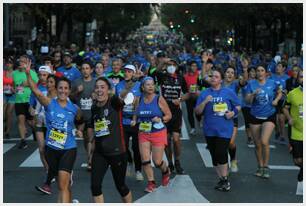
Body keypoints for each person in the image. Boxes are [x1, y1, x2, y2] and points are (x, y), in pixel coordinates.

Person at [25, 59, 84, 203]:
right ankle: (69, 202)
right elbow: (35, 91)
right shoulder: (49, 104)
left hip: (68, 149)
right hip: (51, 149)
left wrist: (79, 130)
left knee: (63, 185)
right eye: (61, 88)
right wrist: (28, 73)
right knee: (61, 185)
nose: (63, 91)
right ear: (56, 90)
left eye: (66, 88)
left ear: (69, 91)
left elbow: (81, 120)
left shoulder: (75, 108)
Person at [195, 68, 241, 192]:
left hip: (225, 128)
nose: (213, 78)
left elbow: (238, 106)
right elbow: (197, 111)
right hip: (209, 129)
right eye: (211, 76)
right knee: (214, 156)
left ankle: (225, 179)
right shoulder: (204, 93)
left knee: (221, 152)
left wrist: (233, 113)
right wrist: (204, 102)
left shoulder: (228, 92)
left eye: (215, 76)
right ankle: (221, 179)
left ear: (221, 80)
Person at [89, 77, 132, 203]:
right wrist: (89, 138)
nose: (99, 90)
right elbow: (94, 126)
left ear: (108, 90)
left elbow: (122, 95)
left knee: (121, 187)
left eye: (102, 87)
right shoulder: (94, 107)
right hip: (100, 153)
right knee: (95, 186)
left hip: (117, 152)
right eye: (97, 87)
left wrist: (131, 82)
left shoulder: (113, 102)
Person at [134, 76, 172, 192]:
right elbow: (136, 112)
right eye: (148, 84)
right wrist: (134, 120)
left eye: (152, 84)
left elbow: (169, 115)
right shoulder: (138, 99)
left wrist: (160, 119)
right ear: (142, 87)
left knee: (157, 161)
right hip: (143, 132)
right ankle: (151, 182)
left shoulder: (159, 99)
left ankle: (165, 171)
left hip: (158, 132)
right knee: (145, 159)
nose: (151, 87)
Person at [245, 64, 282, 179]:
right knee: (257, 144)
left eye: (262, 70)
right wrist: (253, 94)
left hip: (269, 115)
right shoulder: (251, 84)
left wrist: (276, 100)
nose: (260, 72)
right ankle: (260, 166)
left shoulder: (272, 83)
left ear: (266, 73)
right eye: (258, 70)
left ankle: (266, 167)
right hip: (255, 115)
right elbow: (248, 101)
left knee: (264, 141)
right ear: (255, 73)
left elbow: (280, 92)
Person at [158, 58, 189, 174]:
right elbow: (156, 70)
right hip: (164, 112)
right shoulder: (162, 76)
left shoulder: (180, 78)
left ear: (176, 67)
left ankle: (177, 161)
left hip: (176, 113)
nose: (171, 66)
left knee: (176, 140)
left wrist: (180, 99)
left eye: (173, 64)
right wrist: (163, 62)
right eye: (169, 65)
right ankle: (170, 163)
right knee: (167, 140)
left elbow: (187, 94)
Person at [115, 64, 144, 181]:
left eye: (129, 71)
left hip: (136, 121)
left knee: (137, 147)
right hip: (123, 121)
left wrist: (135, 119)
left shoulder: (139, 85)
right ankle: (129, 161)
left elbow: (138, 102)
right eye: (125, 71)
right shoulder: (119, 85)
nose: (126, 73)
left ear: (133, 73)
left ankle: (138, 170)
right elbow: (120, 99)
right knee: (124, 146)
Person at [222, 65, 248, 172]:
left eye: (232, 73)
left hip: (233, 117)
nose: (229, 74)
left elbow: (244, 82)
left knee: (231, 143)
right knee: (222, 143)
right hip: (220, 118)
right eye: (228, 72)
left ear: (234, 76)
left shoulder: (236, 85)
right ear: (224, 74)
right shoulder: (219, 84)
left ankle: (233, 159)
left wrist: (245, 69)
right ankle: (224, 165)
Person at [71, 61, 96, 171]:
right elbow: (70, 97)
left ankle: (90, 160)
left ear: (91, 70)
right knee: (86, 139)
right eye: (83, 68)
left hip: (93, 114)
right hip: (81, 116)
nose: (85, 70)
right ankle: (89, 156)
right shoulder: (76, 82)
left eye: (87, 68)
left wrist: (96, 95)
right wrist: (77, 91)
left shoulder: (96, 82)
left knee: (91, 138)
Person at [29, 65, 52, 180]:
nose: (42, 77)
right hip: (39, 123)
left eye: (45, 75)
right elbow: (31, 106)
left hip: (52, 124)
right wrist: (32, 110)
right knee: (42, 149)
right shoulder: (35, 89)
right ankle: (48, 172)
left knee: (52, 149)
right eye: (40, 75)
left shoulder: (54, 88)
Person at [13, 55, 39, 149]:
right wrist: (13, 89)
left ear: (27, 63)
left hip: (29, 100)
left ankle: (34, 130)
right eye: (19, 61)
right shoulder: (14, 73)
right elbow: (14, 85)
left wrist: (27, 84)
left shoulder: (32, 73)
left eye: (23, 61)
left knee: (31, 121)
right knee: (21, 120)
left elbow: (36, 84)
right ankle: (23, 140)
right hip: (18, 100)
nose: (20, 63)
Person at [283, 70, 303, 182]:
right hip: (296, 132)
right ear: (298, 79)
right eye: (301, 77)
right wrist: (289, 118)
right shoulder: (292, 93)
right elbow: (285, 108)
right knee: (297, 161)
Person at [269, 61, 289, 144]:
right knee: (276, 119)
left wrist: (285, 91)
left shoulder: (287, 78)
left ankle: (282, 136)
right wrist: (275, 91)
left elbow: (290, 90)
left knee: (281, 119)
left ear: (284, 68)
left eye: (280, 66)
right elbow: (269, 88)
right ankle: (277, 131)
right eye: (277, 66)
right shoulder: (272, 77)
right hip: (274, 100)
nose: (277, 68)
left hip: (283, 100)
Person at [241, 66, 256, 147]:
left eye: (254, 71)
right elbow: (243, 81)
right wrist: (245, 69)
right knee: (248, 122)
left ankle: (255, 137)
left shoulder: (258, 82)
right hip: (245, 105)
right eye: (251, 71)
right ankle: (249, 137)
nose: (252, 73)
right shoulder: (245, 82)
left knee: (254, 122)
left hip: (255, 105)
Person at [184, 60, 200, 135]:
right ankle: (193, 128)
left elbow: (201, 84)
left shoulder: (198, 75)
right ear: (189, 67)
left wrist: (198, 89)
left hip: (197, 97)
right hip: (189, 97)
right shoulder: (185, 76)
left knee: (198, 112)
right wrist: (187, 91)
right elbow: (183, 88)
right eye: (193, 66)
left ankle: (199, 121)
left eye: (195, 66)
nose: (194, 67)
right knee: (190, 113)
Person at [3, 56, 16, 139]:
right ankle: (4, 122)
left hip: (12, 95)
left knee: (9, 113)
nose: (8, 64)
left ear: (13, 64)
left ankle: (7, 131)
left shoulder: (15, 73)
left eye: (10, 63)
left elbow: (19, 85)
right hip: (3, 94)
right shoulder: (2, 72)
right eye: (7, 63)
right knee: (3, 113)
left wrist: (14, 89)